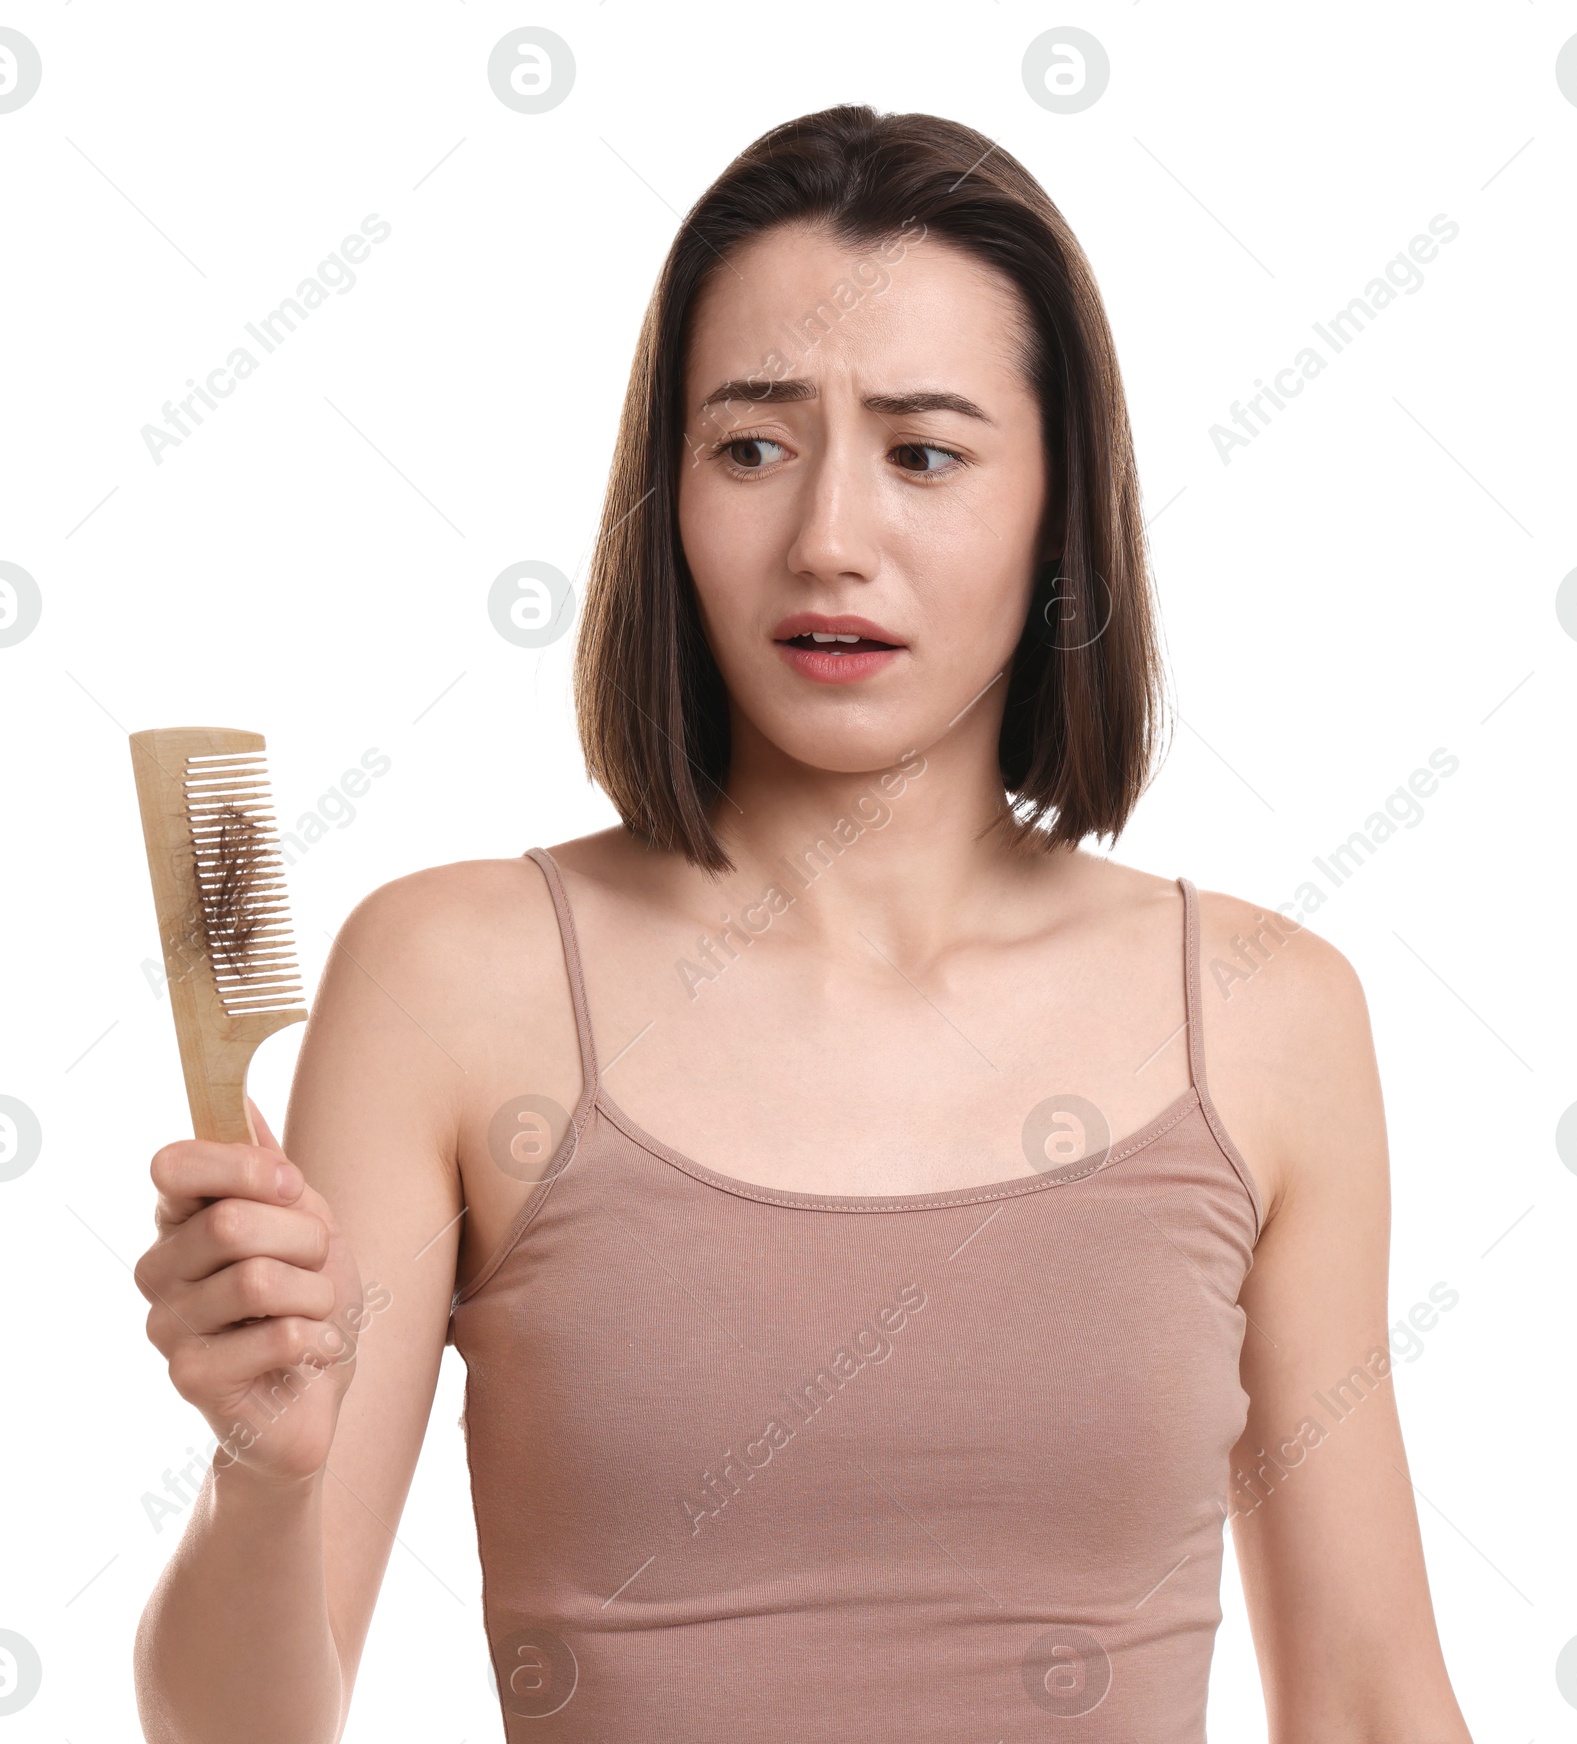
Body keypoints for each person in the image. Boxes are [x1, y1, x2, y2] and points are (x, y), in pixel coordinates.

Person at [132, 105, 1473, 1742]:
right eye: (753, 445)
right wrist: (260, 1481)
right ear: (668, 492)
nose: (829, 540)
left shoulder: (1265, 1013)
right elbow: (237, 1729)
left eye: (925, 451)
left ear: (1060, 510)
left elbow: (1369, 1702)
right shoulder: (450, 980)